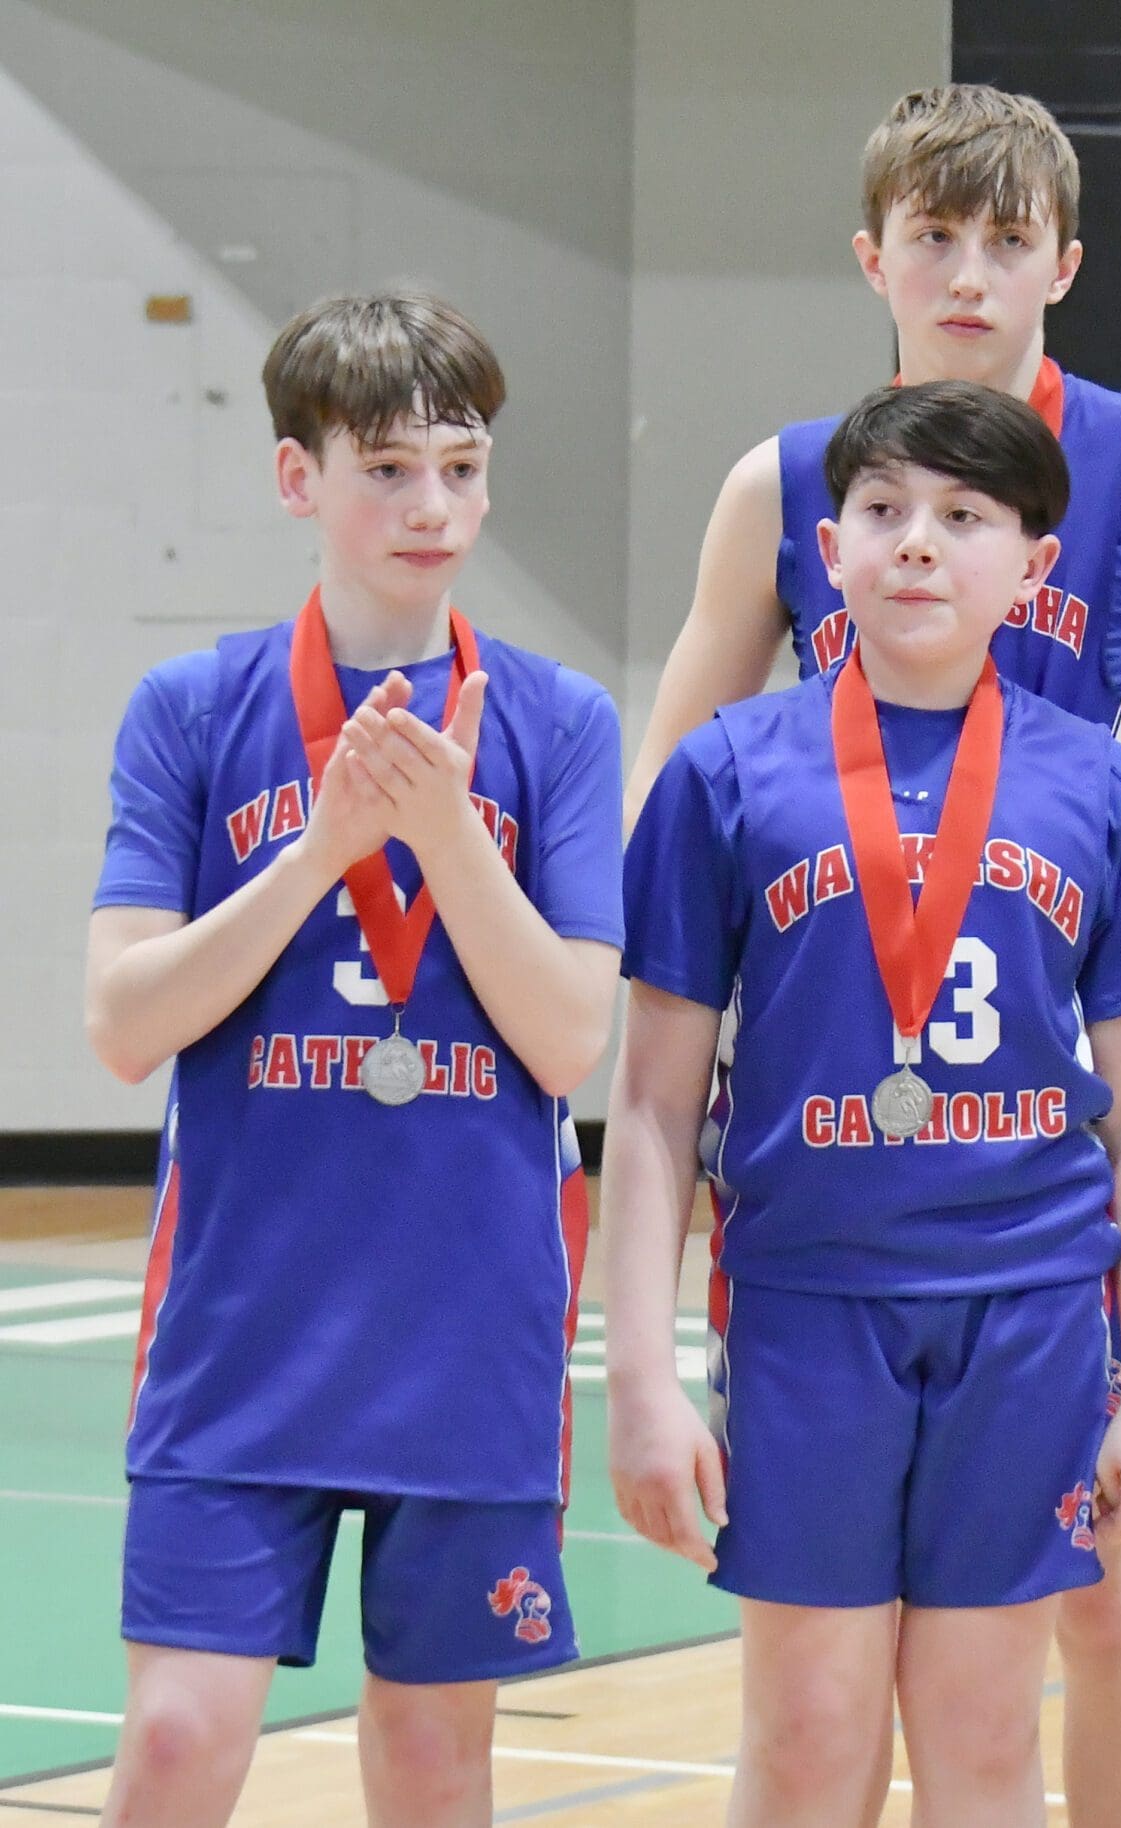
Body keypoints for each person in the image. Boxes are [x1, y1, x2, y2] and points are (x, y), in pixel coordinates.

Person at [620, 88, 1121, 1820]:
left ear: (1063, 266)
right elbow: (668, 791)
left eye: (1005, 240)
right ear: (871, 256)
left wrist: (1072, 897)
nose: (967, 274)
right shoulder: (788, 482)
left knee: (1109, 1588)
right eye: (934, 238)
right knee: (814, 1700)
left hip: (1045, 1095)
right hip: (832, 1101)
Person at [608, 380, 1121, 1827]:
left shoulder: (1102, 791)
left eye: (965, 516)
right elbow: (651, 1105)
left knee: (984, 1733)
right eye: (883, 510)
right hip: (807, 1306)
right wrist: (639, 1380)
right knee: (810, 1730)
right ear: (829, 550)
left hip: (1030, 1311)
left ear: (1036, 567)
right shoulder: (724, 774)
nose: (920, 542)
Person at [83, 291, 624, 1827]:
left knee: (437, 1762)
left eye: (461, 466)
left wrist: (447, 836)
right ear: (297, 477)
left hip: (471, 1325)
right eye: (387, 469)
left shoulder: (560, 723)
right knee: (176, 1737)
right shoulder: (193, 711)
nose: (431, 505)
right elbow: (124, 1025)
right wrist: (319, 852)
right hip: (241, 1321)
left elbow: (570, 1034)